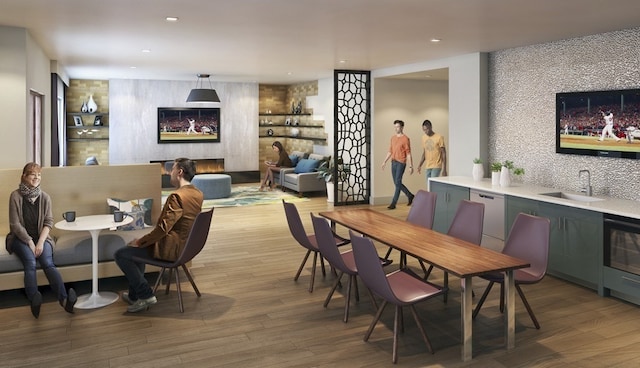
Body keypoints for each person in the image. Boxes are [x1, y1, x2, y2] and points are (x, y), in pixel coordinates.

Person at [114, 158, 204, 313]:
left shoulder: (176, 197)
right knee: (138, 250)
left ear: (180, 172)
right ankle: (135, 296)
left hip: (171, 249)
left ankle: (145, 295)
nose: (170, 172)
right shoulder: (197, 193)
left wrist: (141, 241)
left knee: (121, 254)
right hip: (187, 248)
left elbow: (163, 228)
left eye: (172, 169)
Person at [6, 162, 77, 318]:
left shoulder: (45, 197)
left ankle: (65, 300)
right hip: (20, 239)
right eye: (32, 174)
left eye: (39, 175)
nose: (36, 177)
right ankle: (34, 299)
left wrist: (40, 243)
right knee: (30, 262)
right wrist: (31, 242)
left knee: (48, 263)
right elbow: (15, 225)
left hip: (42, 238)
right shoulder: (15, 196)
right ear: (23, 177)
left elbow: (48, 222)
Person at [381, 120, 415, 209]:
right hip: (393, 162)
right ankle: (410, 195)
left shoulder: (406, 139)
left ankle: (393, 203)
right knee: (397, 183)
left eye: (398, 127)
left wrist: (411, 166)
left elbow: (408, 153)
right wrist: (384, 161)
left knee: (397, 182)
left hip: (401, 163)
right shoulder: (392, 138)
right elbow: (390, 151)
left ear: (402, 127)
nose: (396, 129)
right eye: (395, 127)